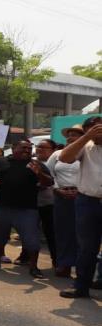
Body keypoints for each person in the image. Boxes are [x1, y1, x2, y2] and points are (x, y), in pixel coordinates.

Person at [0, 140, 53, 278]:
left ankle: (33, 267)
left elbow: (49, 182)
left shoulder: (36, 164)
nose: (27, 150)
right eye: (23, 147)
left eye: (29, 148)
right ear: (14, 148)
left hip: (27, 209)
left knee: (31, 240)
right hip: (2, 206)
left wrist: (39, 174)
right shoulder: (0, 162)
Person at [58, 116, 102, 298]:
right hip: (87, 202)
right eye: (92, 129)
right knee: (86, 247)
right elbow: (64, 157)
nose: (97, 132)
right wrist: (85, 137)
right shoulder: (85, 146)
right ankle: (81, 287)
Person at [46, 125, 83, 278]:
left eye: (75, 134)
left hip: (83, 195)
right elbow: (47, 174)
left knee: (83, 233)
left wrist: (80, 190)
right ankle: (64, 264)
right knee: (63, 232)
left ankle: (83, 267)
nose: (70, 137)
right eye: (69, 134)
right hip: (61, 196)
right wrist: (56, 189)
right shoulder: (57, 154)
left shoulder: (87, 153)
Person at [34, 138, 57, 268]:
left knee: (51, 232)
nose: (39, 149)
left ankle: (56, 259)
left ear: (53, 150)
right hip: (33, 203)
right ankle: (26, 256)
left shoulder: (58, 162)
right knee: (30, 231)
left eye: (43, 147)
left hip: (50, 203)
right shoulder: (32, 162)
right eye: (38, 146)